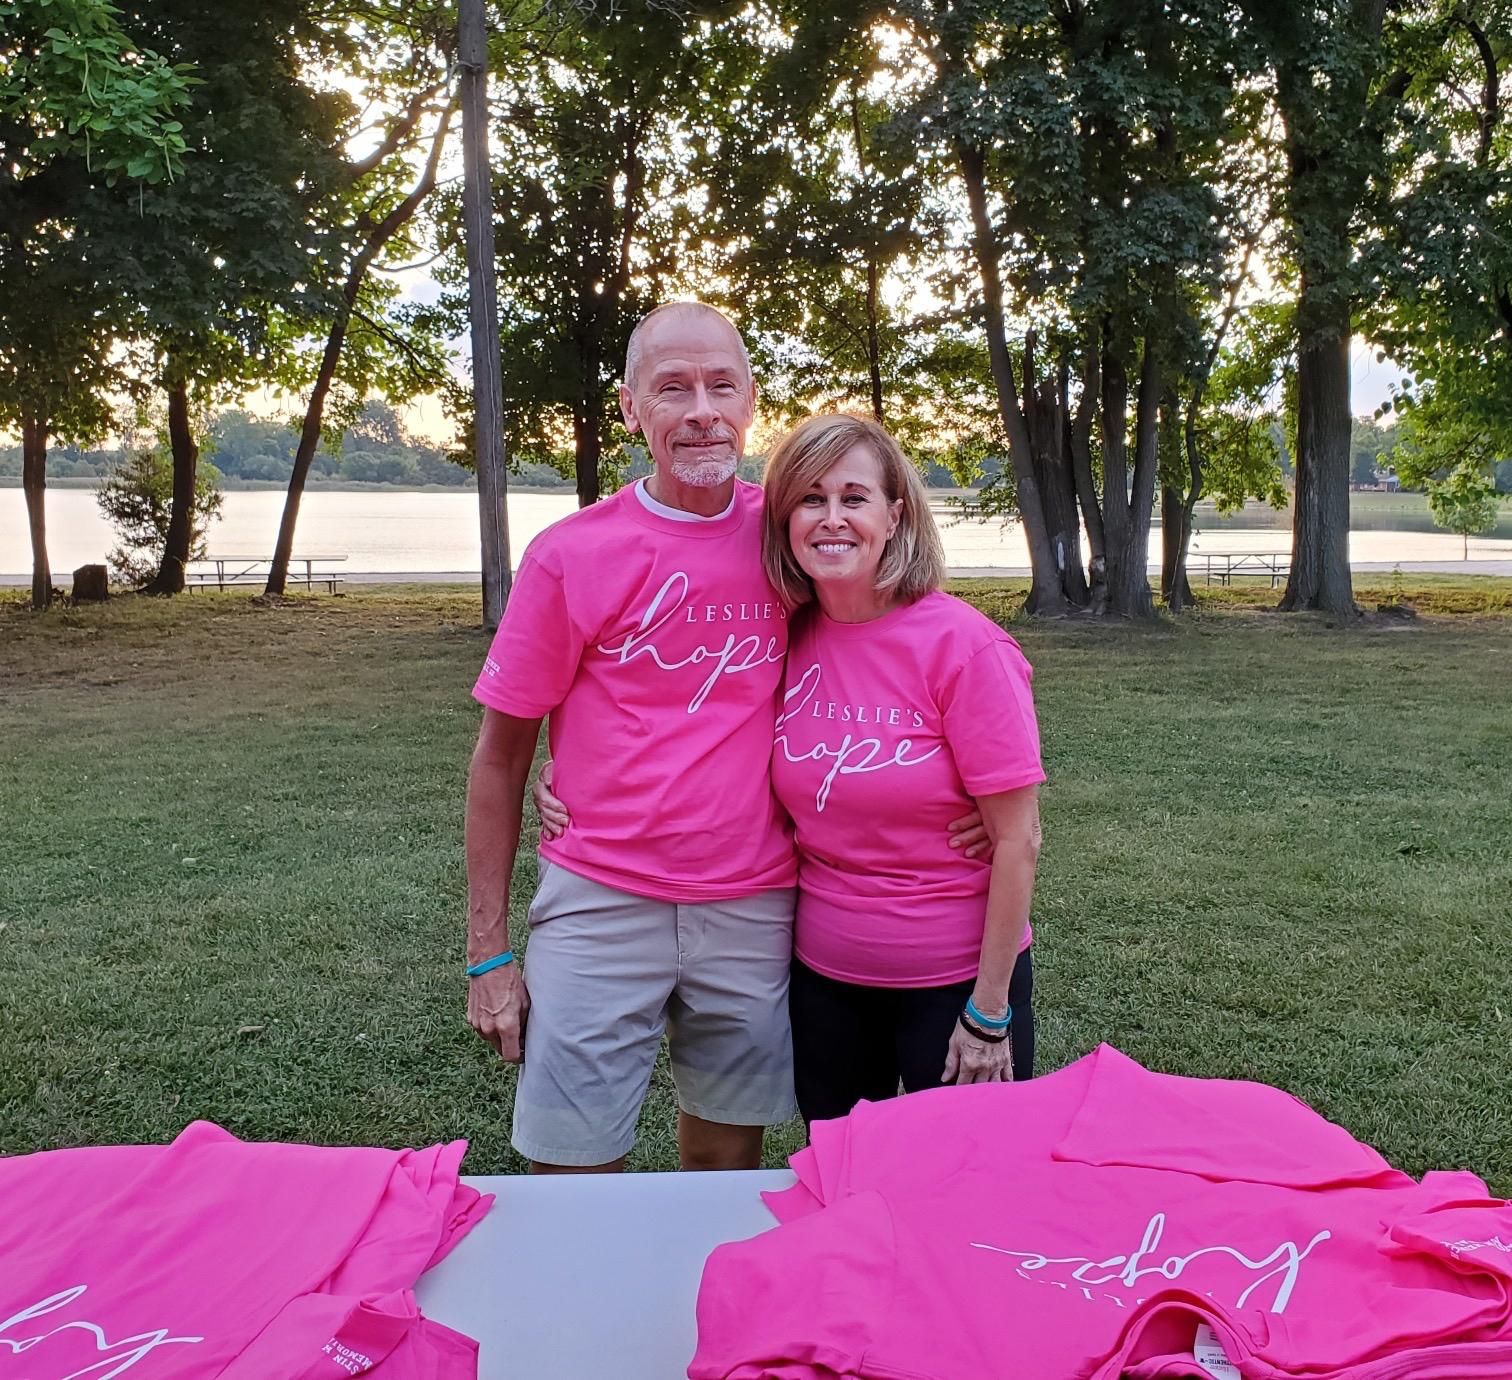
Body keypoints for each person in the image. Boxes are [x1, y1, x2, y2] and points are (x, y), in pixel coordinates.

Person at [464, 302, 797, 1174]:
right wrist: (488, 952)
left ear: (752, 399)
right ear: (629, 408)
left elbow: (894, 665)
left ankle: (698, 1311)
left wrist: (953, 808)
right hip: (600, 898)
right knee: (568, 1170)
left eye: (721, 385)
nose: (700, 411)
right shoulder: (571, 554)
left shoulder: (796, 540)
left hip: (756, 901)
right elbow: (501, 760)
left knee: (725, 1167)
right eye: (672, 388)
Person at [762, 412, 1045, 1124]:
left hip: (953, 987)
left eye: (853, 498)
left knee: (961, 1204)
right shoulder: (783, 637)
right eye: (809, 498)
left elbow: (1018, 839)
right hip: (824, 982)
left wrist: (988, 1010)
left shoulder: (965, 647)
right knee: (841, 1186)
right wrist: (569, 777)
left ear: (894, 515)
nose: (831, 519)